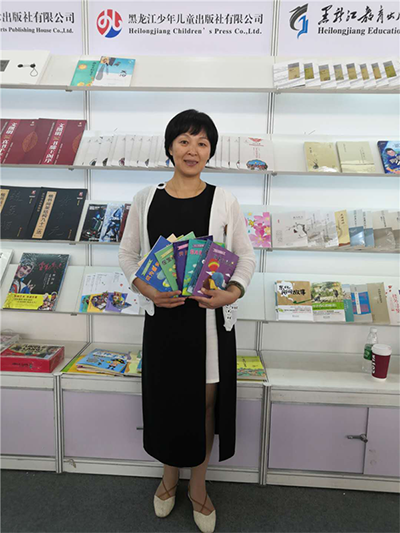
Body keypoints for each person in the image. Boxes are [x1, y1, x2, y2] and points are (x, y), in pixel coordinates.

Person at [119, 109, 256, 533]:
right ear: (170, 147)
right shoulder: (146, 198)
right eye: (184, 141)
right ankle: (168, 479)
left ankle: (198, 486)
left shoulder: (224, 200)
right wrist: (146, 289)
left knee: (205, 403)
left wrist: (233, 292)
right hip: (163, 321)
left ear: (210, 151)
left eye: (201, 142)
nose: (192, 150)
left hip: (208, 322)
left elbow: (246, 256)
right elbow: (127, 254)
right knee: (165, 399)